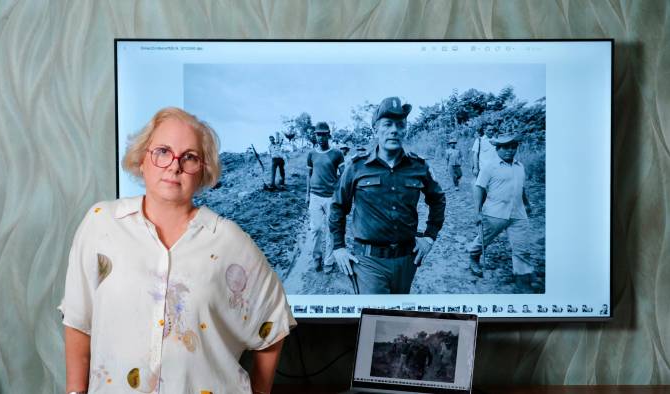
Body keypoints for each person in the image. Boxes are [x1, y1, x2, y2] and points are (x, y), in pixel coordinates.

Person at [59, 107, 296, 394]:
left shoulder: (228, 240)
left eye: (190, 157)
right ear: (142, 158)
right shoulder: (101, 224)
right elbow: (78, 322)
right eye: (162, 151)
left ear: (203, 171)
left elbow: (273, 323)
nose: (174, 166)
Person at [329, 97, 446, 294]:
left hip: (407, 259)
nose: (394, 130)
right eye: (388, 124)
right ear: (375, 129)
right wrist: (338, 247)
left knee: (398, 314)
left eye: (400, 125)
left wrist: (429, 237)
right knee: (376, 317)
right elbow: (338, 206)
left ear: (405, 130)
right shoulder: (356, 166)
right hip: (368, 261)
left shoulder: (418, 166)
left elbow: (437, 199)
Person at [466, 133, 541, 292]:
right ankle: (473, 256)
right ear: (498, 149)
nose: (510, 150)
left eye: (513, 147)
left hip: (518, 214)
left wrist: (526, 203)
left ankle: (522, 278)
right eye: (506, 147)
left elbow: (521, 188)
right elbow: (479, 188)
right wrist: (477, 212)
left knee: (521, 246)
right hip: (495, 213)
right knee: (484, 240)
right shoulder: (489, 166)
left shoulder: (520, 166)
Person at [306, 122, 345, 273]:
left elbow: (344, 175)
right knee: (315, 229)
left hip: (331, 197)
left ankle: (329, 261)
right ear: (315, 135)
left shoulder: (337, 153)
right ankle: (317, 258)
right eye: (318, 134)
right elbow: (309, 175)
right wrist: (307, 194)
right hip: (315, 196)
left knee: (331, 230)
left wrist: (340, 194)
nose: (321, 137)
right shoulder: (311, 154)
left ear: (329, 135)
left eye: (324, 134)